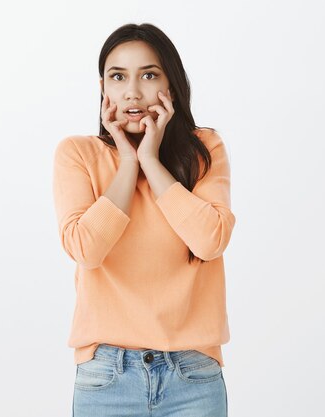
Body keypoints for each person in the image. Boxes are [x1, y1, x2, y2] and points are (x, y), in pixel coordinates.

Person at [52, 23, 236, 416]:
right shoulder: (77, 154)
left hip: (193, 374)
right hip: (107, 377)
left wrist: (151, 162)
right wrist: (128, 165)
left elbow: (210, 240)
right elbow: (86, 249)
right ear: (103, 89)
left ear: (171, 85)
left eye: (149, 75)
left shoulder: (204, 150)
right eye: (118, 77)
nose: (132, 92)